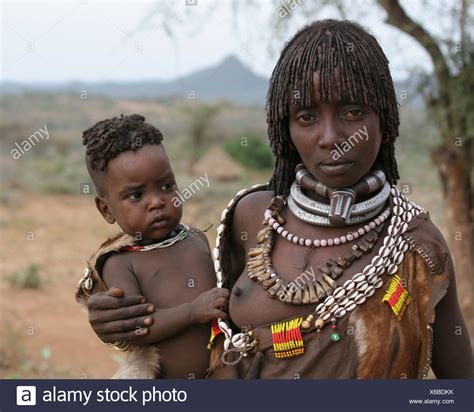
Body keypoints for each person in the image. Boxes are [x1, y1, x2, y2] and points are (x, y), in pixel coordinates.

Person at [84, 21, 472, 379]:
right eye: (306, 117)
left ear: (384, 121)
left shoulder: (419, 247)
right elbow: (191, 309)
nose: (330, 137)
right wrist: (118, 320)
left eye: (353, 112)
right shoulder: (253, 216)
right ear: (285, 130)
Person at [76, 114, 229, 379]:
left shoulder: (195, 238)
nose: (157, 202)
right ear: (106, 209)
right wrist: (193, 311)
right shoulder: (121, 262)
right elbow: (138, 327)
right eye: (136, 195)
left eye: (167, 186)